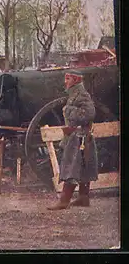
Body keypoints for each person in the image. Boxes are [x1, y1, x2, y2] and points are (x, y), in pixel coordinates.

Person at [47, 70, 98, 210]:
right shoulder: (75, 93)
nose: (65, 82)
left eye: (68, 79)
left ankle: (64, 200)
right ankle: (83, 198)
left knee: (71, 166)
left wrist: (69, 111)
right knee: (83, 166)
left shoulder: (81, 94)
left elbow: (90, 113)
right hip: (79, 135)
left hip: (79, 136)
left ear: (75, 80)